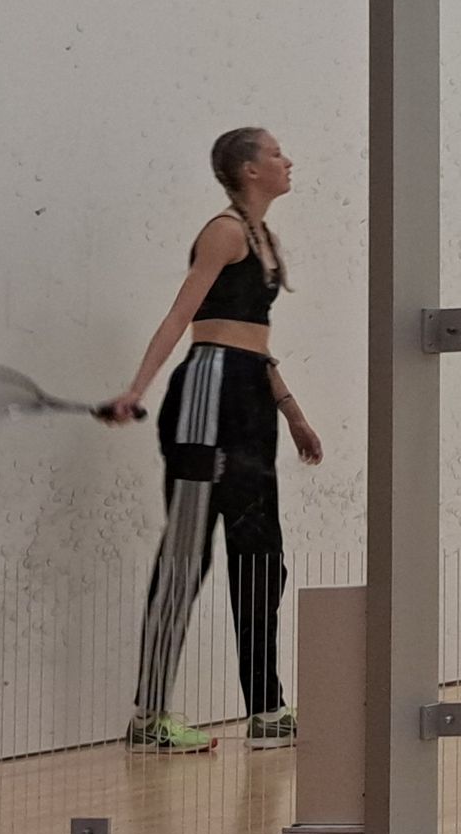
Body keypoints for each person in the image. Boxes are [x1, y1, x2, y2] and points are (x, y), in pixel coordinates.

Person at [104, 128, 322, 753]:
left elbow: (252, 339)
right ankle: (149, 718)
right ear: (249, 170)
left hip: (250, 396)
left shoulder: (264, 239)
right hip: (205, 396)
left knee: (261, 558)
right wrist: (136, 388)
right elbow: (183, 317)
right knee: (186, 557)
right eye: (275, 153)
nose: (287, 160)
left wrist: (291, 411)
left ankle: (266, 711)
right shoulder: (224, 233)